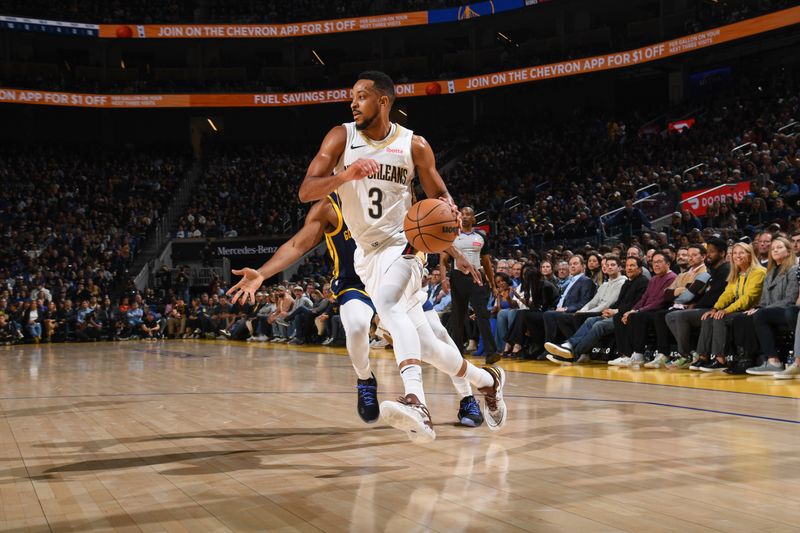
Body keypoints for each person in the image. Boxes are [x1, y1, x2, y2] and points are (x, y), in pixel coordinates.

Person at [297, 71, 507, 442]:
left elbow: (440, 195)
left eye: (361, 96)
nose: (353, 102)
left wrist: (450, 210)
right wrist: (344, 176)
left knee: (390, 306)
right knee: (427, 347)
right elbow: (306, 191)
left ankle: (417, 403)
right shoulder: (341, 136)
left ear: (383, 101)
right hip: (368, 257)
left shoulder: (414, 145)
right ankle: (488, 381)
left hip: (406, 245)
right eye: (352, 96)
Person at [228, 191, 485, 428]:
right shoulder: (330, 207)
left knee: (437, 337)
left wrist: (455, 252)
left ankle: (467, 398)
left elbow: (426, 226)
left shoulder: (392, 189)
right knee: (357, 328)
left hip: (395, 275)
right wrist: (262, 273)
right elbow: (297, 245)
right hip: (356, 283)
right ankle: (365, 379)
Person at [691, 242, 766, 372]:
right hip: (739, 309)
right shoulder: (736, 273)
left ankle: (720, 359)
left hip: (752, 310)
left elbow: (748, 298)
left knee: (719, 318)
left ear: (750, 255)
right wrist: (715, 308)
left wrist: (725, 310)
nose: (737, 256)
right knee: (709, 317)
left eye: (741, 252)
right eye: (735, 253)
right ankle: (703, 356)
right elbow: (727, 294)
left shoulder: (758, 272)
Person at [440, 206, 498, 363]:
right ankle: (457, 353)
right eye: (462, 214)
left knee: (482, 314)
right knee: (458, 316)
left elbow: (486, 261)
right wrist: (444, 279)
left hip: (477, 276)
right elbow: (443, 260)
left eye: (468, 214)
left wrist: (493, 285)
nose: (465, 216)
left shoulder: (481, 236)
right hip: (457, 276)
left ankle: (491, 352)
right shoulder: (452, 234)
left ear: (473, 218)